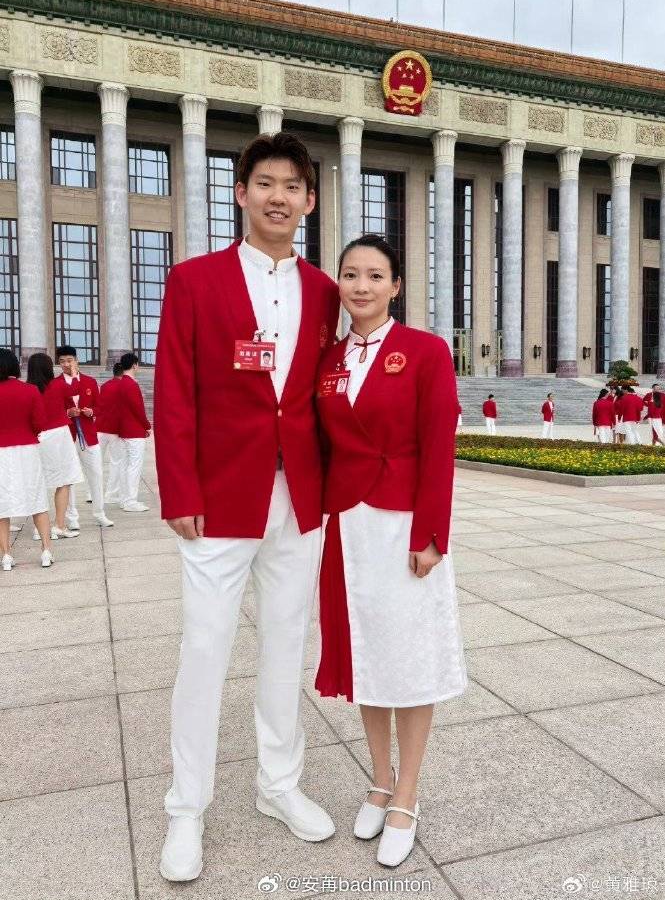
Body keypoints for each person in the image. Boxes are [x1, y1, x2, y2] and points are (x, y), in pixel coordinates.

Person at [154, 132, 341, 882]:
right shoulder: (194, 281)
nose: (278, 198)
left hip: (298, 496)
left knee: (286, 645)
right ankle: (185, 809)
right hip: (219, 498)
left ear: (310, 200)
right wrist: (179, 491)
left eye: (292, 186)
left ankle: (279, 786)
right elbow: (173, 392)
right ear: (240, 193)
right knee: (204, 648)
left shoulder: (327, 293)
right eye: (265, 183)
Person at [314, 234, 467, 868]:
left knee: (411, 656)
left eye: (375, 275)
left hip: (405, 523)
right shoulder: (327, 362)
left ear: (396, 286)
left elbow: (439, 445)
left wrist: (431, 533)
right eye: (350, 274)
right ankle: (379, 778)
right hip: (347, 523)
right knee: (369, 657)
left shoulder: (425, 352)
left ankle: (407, 794)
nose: (362, 286)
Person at [0, 349, 54, 570]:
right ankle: (46, 550)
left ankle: (6, 556)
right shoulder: (30, 390)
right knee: (36, 498)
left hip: (1, 451)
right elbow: (40, 422)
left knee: (1, 504)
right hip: (27, 449)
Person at [54, 345, 114, 529]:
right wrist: (67, 412)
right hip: (68, 436)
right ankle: (72, 518)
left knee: (96, 473)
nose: (66, 364)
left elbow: (100, 406)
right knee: (69, 478)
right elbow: (52, 411)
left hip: (88, 434)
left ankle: (99, 513)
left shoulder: (89, 381)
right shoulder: (56, 384)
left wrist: (91, 411)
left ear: (76, 360)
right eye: (62, 361)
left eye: (69, 360)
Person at [26, 353, 83, 539]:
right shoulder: (58, 385)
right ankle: (59, 525)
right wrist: (74, 372)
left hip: (38, 437)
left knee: (38, 481)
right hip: (59, 435)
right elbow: (76, 390)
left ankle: (38, 529)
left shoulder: (28, 388)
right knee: (64, 481)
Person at [117, 353, 151, 512]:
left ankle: (125, 499)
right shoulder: (131, 384)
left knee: (125, 466)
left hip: (123, 430)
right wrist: (147, 425)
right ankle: (130, 501)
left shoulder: (120, 383)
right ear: (135, 365)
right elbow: (138, 409)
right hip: (134, 431)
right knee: (134, 466)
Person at [97, 362, 124, 505]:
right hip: (115, 430)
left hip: (100, 427)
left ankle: (92, 493)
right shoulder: (124, 386)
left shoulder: (105, 385)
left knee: (96, 463)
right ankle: (111, 494)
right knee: (116, 462)